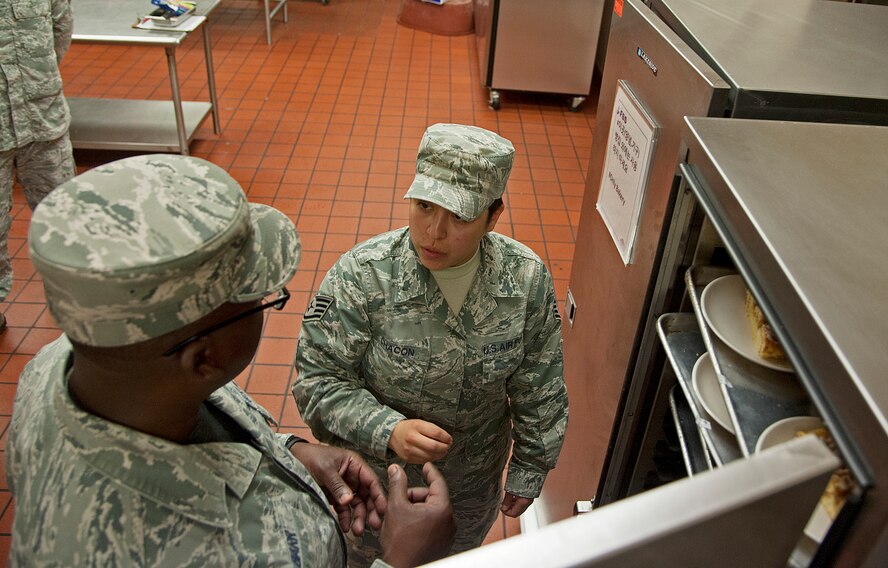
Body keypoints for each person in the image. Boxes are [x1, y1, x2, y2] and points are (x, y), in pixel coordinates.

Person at [5, 155, 454, 567]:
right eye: (257, 298)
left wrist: (290, 453)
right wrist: (401, 561)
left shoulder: (70, 364)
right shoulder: (167, 550)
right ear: (205, 358)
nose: (265, 298)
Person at [294, 123, 569, 566]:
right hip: (378, 494)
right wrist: (388, 429)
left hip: (470, 493)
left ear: (493, 215)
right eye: (423, 206)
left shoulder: (525, 280)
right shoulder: (364, 276)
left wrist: (531, 466)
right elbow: (318, 382)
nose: (434, 232)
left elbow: (540, 384)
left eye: (459, 216)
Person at [0, 0, 77, 332]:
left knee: (66, 220)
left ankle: (77, 301)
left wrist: (37, 84)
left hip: (43, 121)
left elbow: (61, 26)